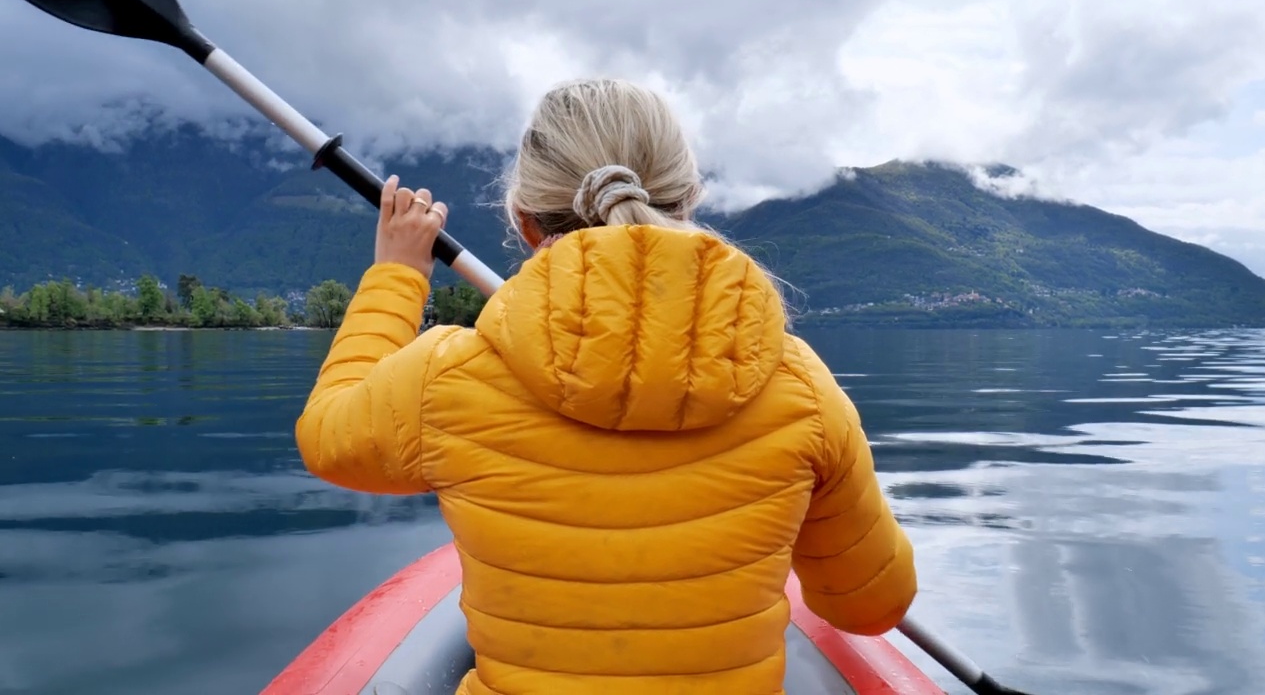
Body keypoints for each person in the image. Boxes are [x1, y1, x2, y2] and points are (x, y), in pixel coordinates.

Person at [295, 78, 917, 695]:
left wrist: (397, 277)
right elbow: (869, 609)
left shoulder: (445, 377)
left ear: (524, 222)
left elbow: (328, 435)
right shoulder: (799, 385)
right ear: (687, 203)